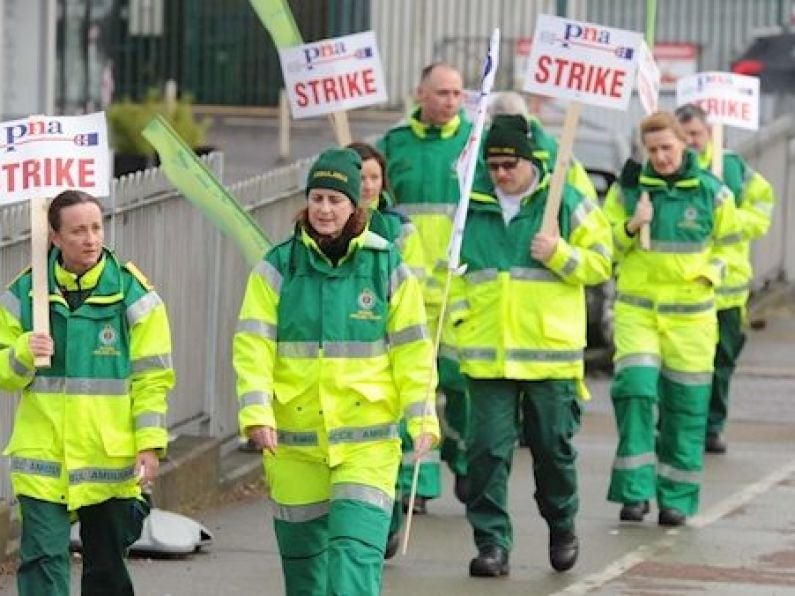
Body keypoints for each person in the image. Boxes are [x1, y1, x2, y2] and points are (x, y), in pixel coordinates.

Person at [232, 148, 439, 595]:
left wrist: (422, 418)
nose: (325, 209)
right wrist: (256, 413)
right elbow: (253, 344)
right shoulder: (278, 265)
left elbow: (413, 352)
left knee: (355, 558)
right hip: (295, 443)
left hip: (367, 443)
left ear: (355, 206)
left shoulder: (385, 265)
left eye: (335, 200)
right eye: (318, 198)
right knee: (304, 572)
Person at [449, 114, 612, 576]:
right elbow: (453, 275)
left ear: (529, 161)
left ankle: (561, 523)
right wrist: (461, 321)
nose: (501, 174)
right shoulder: (470, 207)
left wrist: (560, 253)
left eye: (509, 164)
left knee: (552, 449)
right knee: (485, 454)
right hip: (488, 357)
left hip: (550, 359)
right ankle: (492, 544)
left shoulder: (564, 202)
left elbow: (602, 263)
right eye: (494, 165)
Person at [0, 189, 174, 595]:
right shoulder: (24, 295)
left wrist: (150, 443)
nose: (91, 238)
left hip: (108, 461)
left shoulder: (134, 295)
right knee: (42, 560)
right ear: (55, 238)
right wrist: (25, 351)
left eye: (96, 227)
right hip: (43, 459)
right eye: (78, 230)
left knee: (106, 569)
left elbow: (153, 378)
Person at [603, 111, 740, 527]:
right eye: (653, 150)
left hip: (692, 319)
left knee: (685, 407)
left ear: (685, 144)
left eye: (668, 147)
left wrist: (710, 273)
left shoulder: (712, 193)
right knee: (636, 391)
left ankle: (676, 497)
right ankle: (635, 491)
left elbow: (732, 251)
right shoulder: (628, 190)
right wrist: (631, 225)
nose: (661, 157)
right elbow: (602, 245)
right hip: (638, 313)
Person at [377, 62, 471, 513]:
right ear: (420, 94)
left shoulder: (475, 142)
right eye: (442, 92)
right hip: (410, 288)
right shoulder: (395, 145)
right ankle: (419, 482)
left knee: (460, 385)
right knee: (416, 390)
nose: (451, 100)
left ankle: (461, 456)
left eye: (457, 93)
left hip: (461, 289)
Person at [675, 103, 775, 454]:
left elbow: (762, 207)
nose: (691, 142)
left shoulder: (731, 167)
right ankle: (680, 426)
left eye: (696, 135)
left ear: (710, 133)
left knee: (721, 361)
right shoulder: (671, 171)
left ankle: (713, 426)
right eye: (684, 136)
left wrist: (731, 221)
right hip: (687, 288)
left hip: (728, 289)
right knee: (682, 366)